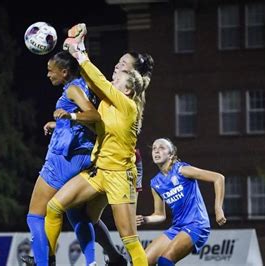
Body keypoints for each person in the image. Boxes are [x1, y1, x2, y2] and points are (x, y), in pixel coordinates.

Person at [44, 23, 149, 265]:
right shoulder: (108, 105)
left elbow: (98, 82)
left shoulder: (128, 106)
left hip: (121, 176)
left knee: (129, 238)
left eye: (117, 79)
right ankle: (47, 261)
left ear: (129, 90)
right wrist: (60, 123)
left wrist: (79, 51)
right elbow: (95, 100)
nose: (112, 80)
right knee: (55, 207)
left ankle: (116, 256)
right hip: (100, 171)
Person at [26, 51, 101, 266]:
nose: (48, 75)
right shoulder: (86, 85)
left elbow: (93, 116)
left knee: (35, 216)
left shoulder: (73, 89)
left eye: (51, 70)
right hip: (83, 157)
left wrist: (70, 116)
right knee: (75, 213)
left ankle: (42, 263)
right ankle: (91, 262)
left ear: (64, 71)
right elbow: (83, 123)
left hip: (64, 159)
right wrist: (58, 123)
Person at [136, 138, 227, 266]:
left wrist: (218, 208)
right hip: (177, 227)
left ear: (171, 154)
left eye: (162, 148)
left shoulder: (182, 170)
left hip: (196, 224)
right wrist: (145, 219)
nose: (156, 151)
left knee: (165, 261)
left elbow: (218, 178)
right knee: (142, 263)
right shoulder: (155, 183)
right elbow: (160, 215)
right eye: (154, 148)